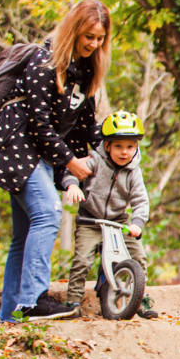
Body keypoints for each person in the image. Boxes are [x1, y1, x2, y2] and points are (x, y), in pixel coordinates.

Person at [0, 0, 109, 322]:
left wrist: (115, 143)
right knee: (48, 214)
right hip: (15, 142)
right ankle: (32, 301)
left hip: (40, 152)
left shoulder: (86, 71)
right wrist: (70, 162)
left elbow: (83, 128)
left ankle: (9, 318)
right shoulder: (44, 61)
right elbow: (38, 123)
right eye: (89, 36)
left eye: (100, 38)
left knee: (24, 234)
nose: (94, 44)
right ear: (75, 30)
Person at [62, 110, 155, 319]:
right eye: (118, 146)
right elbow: (72, 171)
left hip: (118, 221)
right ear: (107, 146)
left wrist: (137, 224)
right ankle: (73, 301)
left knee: (138, 256)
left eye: (130, 146)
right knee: (82, 258)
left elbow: (141, 201)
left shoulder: (134, 171)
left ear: (136, 147)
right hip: (90, 219)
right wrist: (72, 185)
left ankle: (139, 298)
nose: (124, 152)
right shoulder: (95, 160)